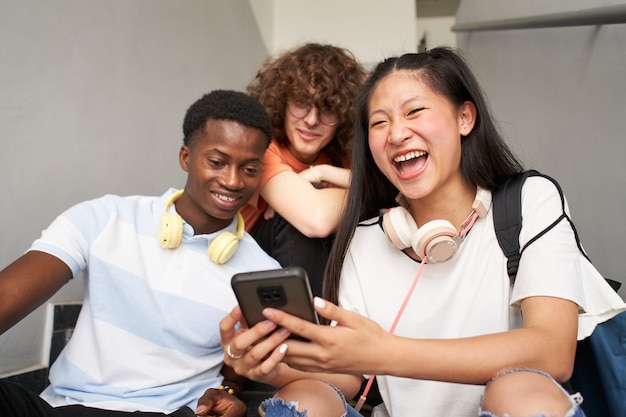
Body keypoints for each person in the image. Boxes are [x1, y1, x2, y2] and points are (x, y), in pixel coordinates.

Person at [219, 48, 626, 417]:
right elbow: (354, 376)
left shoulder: (529, 201)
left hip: (507, 408)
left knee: (520, 391)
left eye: (414, 112)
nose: (397, 133)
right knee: (303, 398)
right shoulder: (363, 239)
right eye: (380, 122)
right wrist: (272, 364)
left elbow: (552, 352)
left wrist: (388, 352)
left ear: (465, 118)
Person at [0, 89, 281, 417]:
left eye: (249, 169)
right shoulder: (104, 217)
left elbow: (240, 367)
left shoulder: (262, 272)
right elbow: (7, 294)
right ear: (186, 157)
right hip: (63, 408)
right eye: (217, 162)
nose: (233, 181)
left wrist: (229, 392)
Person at [241, 43, 367, 297]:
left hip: (320, 272)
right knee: (301, 218)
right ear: (282, 103)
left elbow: (391, 190)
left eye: (327, 109)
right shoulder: (262, 148)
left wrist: (321, 173)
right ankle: (306, 330)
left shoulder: (340, 160)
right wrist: (363, 194)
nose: (311, 120)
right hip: (247, 261)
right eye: (301, 103)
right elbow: (316, 220)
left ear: (343, 115)